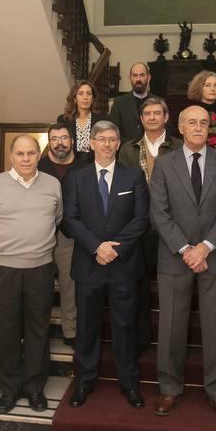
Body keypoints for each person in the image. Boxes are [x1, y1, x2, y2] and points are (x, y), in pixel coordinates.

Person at [149, 105, 216, 421]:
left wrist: (205, 247)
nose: (199, 127)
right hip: (175, 257)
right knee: (171, 325)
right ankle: (169, 388)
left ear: (209, 128)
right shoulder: (163, 164)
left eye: (204, 122)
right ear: (181, 127)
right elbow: (158, 213)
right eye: (192, 122)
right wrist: (187, 249)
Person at [62, 120, 149, 408]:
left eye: (113, 139)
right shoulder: (76, 177)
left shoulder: (133, 176)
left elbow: (141, 219)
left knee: (125, 325)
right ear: (92, 143)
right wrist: (96, 246)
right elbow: (70, 219)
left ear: (119, 142)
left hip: (123, 265)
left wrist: (115, 249)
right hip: (88, 264)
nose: (108, 144)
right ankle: (84, 382)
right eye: (102, 139)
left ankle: (130, 384)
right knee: (86, 327)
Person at [0, 134, 62, 414]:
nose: (26, 159)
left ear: (37, 155)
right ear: (11, 156)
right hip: (2, 270)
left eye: (31, 153)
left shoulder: (53, 184)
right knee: (5, 331)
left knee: (38, 330)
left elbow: (57, 218)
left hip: (40, 269)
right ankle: (10, 390)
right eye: (20, 154)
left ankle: (34, 388)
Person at [119, 96, 182, 351]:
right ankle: (142, 339)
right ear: (141, 119)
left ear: (166, 117)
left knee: (173, 287)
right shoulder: (127, 149)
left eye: (158, 113)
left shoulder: (179, 146)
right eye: (148, 114)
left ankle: (172, 343)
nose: (153, 117)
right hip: (139, 227)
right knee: (139, 286)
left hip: (171, 226)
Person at [38, 123, 84, 348]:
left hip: (70, 236)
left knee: (69, 286)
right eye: (54, 138)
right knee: (40, 287)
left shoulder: (84, 165)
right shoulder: (39, 165)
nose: (60, 143)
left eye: (64, 138)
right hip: (41, 234)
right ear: (49, 142)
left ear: (72, 140)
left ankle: (70, 331)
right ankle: (39, 334)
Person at [57, 80, 103, 163]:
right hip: (70, 164)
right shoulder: (63, 120)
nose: (85, 97)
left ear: (92, 99)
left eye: (88, 94)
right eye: (81, 94)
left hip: (94, 164)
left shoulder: (101, 120)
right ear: (74, 98)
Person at [109, 62, 152, 142]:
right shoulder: (119, 103)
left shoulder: (159, 102)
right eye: (135, 75)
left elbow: (166, 130)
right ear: (130, 78)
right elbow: (113, 131)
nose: (138, 79)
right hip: (126, 152)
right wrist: (129, 149)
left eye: (142, 75)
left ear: (148, 78)